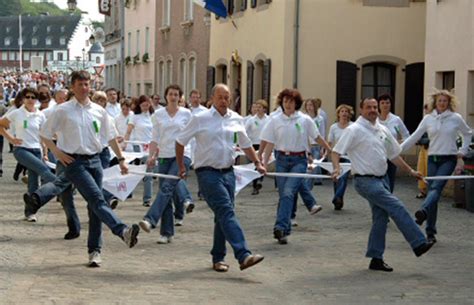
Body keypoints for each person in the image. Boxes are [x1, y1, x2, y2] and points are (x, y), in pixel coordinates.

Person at [40, 71, 140, 267]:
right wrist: (57, 153)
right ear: (72, 87)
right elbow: (44, 134)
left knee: (95, 208)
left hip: (95, 161)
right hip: (73, 163)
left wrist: (121, 159)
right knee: (97, 198)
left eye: (87, 84)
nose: (84, 88)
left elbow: (110, 136)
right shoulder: (62, 110)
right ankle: (122, 231)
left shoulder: (98, 110)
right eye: (80, 84)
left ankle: (95, 250)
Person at [331, 98, 435, 272]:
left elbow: (394, 155)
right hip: (365, 181)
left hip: (382, 179)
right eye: (368, 107)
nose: (372, 110)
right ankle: (419, 243)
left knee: (380, 218)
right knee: (397, 206)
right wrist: (336, 168)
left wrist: (411, 171)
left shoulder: (383, 130)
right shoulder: (353, 130)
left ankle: (376, 259)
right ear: (361, 109)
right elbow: (335, 152)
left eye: (374, 107)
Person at [176, 83, 265, 272]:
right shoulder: (200, 118)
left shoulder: (237, 119)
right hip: (207, 173)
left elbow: (246, 144)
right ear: (212, 99)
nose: (224, 101)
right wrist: (181, 165)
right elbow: (180, 141)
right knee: (226, 210)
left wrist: (257, 162)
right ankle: (243, 255)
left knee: (222, 215)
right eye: (220, 97)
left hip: (228, 172)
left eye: (227, 97)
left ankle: (218, 258)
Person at [400, 90, 472, 243]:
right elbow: (415, 136)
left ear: (449, 103)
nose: (442, 103)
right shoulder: (428, 119)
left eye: (445, 101)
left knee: (435, 189)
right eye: (440, 101)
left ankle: (423, 211)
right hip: (433, 158)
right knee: (434, 194)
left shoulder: (455, 118)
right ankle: (430, 232)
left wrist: (462, 152)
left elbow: (467, 133)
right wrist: (398, 151)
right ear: (435, 102)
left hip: (449, 158)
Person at [261, 89, 331, 245]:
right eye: (285, 101)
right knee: (284, 195)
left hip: (299, 160)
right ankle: (284, 231)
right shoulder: (274, 120)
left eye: (291, 101)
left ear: (296, 103)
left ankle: (279, 227)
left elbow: (317, 136)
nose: (288, 104)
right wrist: (263, 162)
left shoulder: (304, 120)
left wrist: (329, 149)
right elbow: (269, 142)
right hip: (281, 160)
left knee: (287, 192)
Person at [139, 84, 194, 243]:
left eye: (176, 94)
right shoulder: (158, 114)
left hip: (182, 155)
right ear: (166, 96)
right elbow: (155, 137)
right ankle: (167, 232)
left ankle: (150, 219)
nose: (173, 97)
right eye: (170, 94)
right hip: (164, 155)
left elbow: (192, 135)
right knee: (166, 193)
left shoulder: (186, 114)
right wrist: (151, 156)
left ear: (180, 97)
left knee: (167, 186)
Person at [0, 88, 53, 222]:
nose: (30, 100)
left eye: (33, 97)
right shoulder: (16, 113)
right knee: (45, 171)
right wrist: (11, 139)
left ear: (36, 100)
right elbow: (1, 125)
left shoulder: (40, 115)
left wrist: (45, 152)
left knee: (34, 183)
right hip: (22, 149)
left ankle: (30, 212)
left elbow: (43, 136)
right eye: (27, 97)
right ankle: (62, 186)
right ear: (23, 99)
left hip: (37, 150)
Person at [124, 95, 154, 206]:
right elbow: (128, 132)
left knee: (148, 171)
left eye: (147, 103)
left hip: (150, 146)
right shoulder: (134, 117)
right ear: (139, 105)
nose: (146, 105)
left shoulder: (153, 116)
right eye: (143, 103)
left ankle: (147, 198)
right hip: (138, 146)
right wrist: (124, 144)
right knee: (141, 170)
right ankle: (132, 193)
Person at [377, 94, 410, 193]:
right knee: (379, 180)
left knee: (390, 180)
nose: (385, 105)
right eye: (382, 103)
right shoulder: (375, 120)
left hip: (392, 156)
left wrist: (399, 145)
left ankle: (388, 201)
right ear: (379, 105)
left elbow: (407, 136)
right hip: (378, 155)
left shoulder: (396, 120)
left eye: (387, 103)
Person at [327, 104, 354, 210]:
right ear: (338, 114)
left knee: (343, 177)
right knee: (337, 177)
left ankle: (337, 197)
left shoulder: (353, 126)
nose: (344, 113)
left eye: (346, 111)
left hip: (348, 156)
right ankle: (338, 200)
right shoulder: (333, 127)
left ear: (349, 114)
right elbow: (330, 141)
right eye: (342, 111)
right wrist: (326, 152)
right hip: (336, 155)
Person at [244, 99, 269, 195]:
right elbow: (244, 131)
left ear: (264, 109)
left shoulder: (268, 119)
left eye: (260, 107)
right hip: (253, 144)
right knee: (255, 164)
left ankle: (259, 180)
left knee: (262, 163)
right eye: (256, 107)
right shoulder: (251, 120)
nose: (257, 109)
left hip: (264, 144)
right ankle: (255, 185)